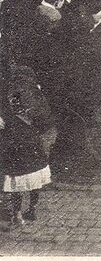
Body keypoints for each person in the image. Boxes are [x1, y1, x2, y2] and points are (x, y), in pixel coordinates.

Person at [1, 89, 52, 229]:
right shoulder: (32, 113)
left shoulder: (6, 119)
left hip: (19, 155)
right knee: (35, 180)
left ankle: (18, 215)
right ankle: (32, 210)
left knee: (17, 184)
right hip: (34, 153)